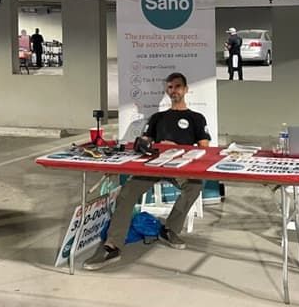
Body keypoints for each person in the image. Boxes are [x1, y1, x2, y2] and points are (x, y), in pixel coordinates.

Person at [83, 72, 210, 270]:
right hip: (154, 165)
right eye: (169, 87)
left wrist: (176, 147)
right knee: (126, 194)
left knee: (195, 185)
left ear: (185, 90)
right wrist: (148, 145)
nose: (173, 91)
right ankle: (112, 245)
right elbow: (144, 142)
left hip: (180, 166)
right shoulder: (158, 117)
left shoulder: (196, 118)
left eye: (177, 87)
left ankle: (169, 230)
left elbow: (205, 149)